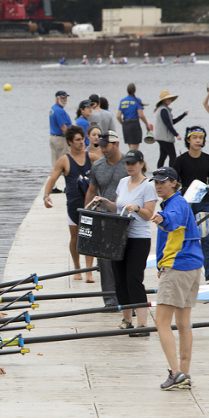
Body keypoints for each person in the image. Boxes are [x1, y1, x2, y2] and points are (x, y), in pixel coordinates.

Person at [150, 166, 204, 390]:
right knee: (183, 323)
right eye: (156, 182)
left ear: (174, 183)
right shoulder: (179, 203)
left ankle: (176, 373)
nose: (159, 185)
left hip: (179, 267)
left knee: (161, 322)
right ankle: (185, 373)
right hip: (192, 266)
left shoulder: (175, 204)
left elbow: (170, 220)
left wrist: (160, 217)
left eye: (163, 181)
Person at [94, 150, 157, 334]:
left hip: (139, 238)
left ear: (141, 164)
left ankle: (143, 324)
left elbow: (148, 215)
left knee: (134, 279)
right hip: (120, 237)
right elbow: (118, 209)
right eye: (127, 163)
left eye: (133, 163)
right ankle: (127, 320)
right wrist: (105, 202)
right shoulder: (122, 183)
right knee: (120, 280)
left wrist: (136, 208)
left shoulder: (148, 185)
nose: (129, 166)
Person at [44, 125, 99, 283]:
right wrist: (46, 196)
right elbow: (52, 179)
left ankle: (88, 272)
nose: (81, 142)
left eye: (82, 139)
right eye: (77, 140)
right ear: (69, 142)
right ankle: (77, 268)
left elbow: (106, 169)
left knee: (89, 236)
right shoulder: (64, 161)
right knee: (75, 237)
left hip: (90, 204)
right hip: (73, 204)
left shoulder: (92, 157)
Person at [173, 126, 209, 284]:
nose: (197, 140)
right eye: (194, 137)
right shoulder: (180, 160)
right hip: (186, 203)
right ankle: (185, 270)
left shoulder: (208, 159)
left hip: (204, 203)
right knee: (185, 236)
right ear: (188, 140)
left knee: (206, 237)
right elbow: (173, 183)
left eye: (200, 138)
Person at [84, 130, 128, 307]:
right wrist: (85, 215)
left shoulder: (129, 163)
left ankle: (126, 300)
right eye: (100, 146)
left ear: (116, 144)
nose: (103, 149)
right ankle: (110, 300)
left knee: (124, 261)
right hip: (103, 217)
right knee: (104, 262)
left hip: (125, 218)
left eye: (106, 146)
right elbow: (92, 191)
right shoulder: (97, 166)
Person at [154, 90, 187, 167]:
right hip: (165, 138)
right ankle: (172, 172)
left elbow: (172, 122)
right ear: (163, 100)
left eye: (170, 98)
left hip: (160, 137)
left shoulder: (163, 109)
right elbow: (168, 124)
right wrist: (176, 134)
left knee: (163, 155)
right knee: (173, 156)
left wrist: (183, 115)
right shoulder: (163, 110)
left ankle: (159, 171)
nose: (170, 100)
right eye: (168, 98)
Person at [117, 83, 151, 150]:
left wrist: (123, 123)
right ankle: (132, 160)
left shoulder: (122, 101)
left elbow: (118, 116)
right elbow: (140, 115)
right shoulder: (137, 100)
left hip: (126, 125)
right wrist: (147, 124)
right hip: (134, 125)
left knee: (130, 147)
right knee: (134, 150)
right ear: (135, 90)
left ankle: (131, 160)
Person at [49, 90, 72, 167]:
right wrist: (70, 140)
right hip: (61, 140)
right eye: (63, 98)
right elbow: (63, 127)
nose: (65, 100)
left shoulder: (53, 108)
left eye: (66, 98)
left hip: (53, 138)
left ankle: (55, 177)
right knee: (64, 163)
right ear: (57, 98)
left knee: (55, 164)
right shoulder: (59, 111)